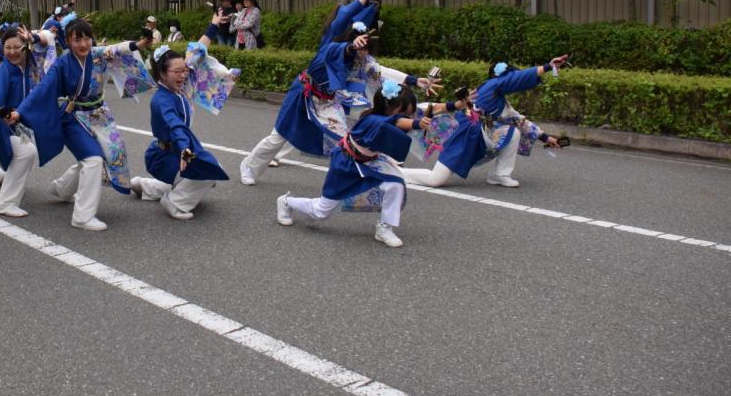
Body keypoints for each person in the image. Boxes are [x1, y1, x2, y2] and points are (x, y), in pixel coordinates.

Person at [239, 17, 438, 186]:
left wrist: (414, 80)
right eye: (361, 48)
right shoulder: (332, 50)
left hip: (327, 102)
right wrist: (351, 47)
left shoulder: (363, 61)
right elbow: (342, 51)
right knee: (279, 135)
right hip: (303, 96)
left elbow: (381, 73)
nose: (364, 53)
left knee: (345, 139)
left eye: (366, 49)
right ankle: (248, 166)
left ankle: (351, 178)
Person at [4, 19, 153, 232]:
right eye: (77, 40)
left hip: (99, 115)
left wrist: (138, 45)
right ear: (68, 41)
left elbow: (117, 49)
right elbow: (43, 88)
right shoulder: (63, 64)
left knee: (111, 152)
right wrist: (20, 112)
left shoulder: (98, 55)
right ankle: (83, 216)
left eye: (87, 38)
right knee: (93, 159)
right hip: (72, 117)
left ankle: (63, 189)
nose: (83, 44)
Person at [275, 82, 424, 248]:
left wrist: (447, 107)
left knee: (395, 184)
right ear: (388, 106)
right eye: (404, 113)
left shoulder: (383, 119)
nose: (408, 117)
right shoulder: (372, 121)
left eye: (409, 114)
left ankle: (385, 228)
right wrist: (417, 124)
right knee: (321, 212)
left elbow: (408, 118)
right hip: (346, 164)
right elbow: (395, 122)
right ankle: (286, 201)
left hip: (370, 162)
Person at [128, 15, 239, 220]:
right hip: (166, 155)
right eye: (177, 71)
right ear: (162, 74)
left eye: (185, 70)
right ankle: (175, 202)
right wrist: (184, 150)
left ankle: (147, 187)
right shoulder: (162, 100)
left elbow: (198, 50)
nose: (183, 75)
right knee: (209, 172)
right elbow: (175, 126)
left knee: (212, 169)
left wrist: (213, 25)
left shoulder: (180, 84)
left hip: (175, 149)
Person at [402, 57, 569, 189]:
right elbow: (513, 80)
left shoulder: (499, 98)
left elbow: (520, 121)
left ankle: (499, 174)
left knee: (513, 131)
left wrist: (548, 139)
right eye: (509, 76)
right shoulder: (491, 86)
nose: (512, 80)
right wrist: (548, 67)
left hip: (481, 135)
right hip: (464, 136)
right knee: (435, 180)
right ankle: (399, 173)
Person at [0, 25, 55, 217]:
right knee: (27, 152)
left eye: (17, 47)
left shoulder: (32, 64)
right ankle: (5, 204)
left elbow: (49, 38)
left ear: (26, 46)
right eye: (7, 47)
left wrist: (33, 36)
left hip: (17, 127)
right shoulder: (3, 71)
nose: (12, 52)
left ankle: (3, 173)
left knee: (30, 147)